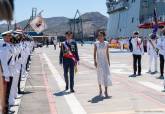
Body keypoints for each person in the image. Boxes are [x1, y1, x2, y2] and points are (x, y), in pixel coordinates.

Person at [94, 31, 112, 97]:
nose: (100, 37)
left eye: (101, 35)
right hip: (99, 62)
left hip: (105, 62)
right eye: (99, 35)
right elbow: (94, 53)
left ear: (104, 36)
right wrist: (95, 61)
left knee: (106, 75)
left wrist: (109, 61)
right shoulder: (96, 43)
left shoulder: (106, 43)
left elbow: (107, 53)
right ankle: (100, 90)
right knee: (99, 75)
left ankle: (106, 91)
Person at [0, 30, 14, 114]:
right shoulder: (4, 48)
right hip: (6, 74)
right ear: (4, 37)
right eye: (8, 36)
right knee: (5, 94)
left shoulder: (8, 46)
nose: (10, 37)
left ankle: (6, 110)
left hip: (9, 72)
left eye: (10, 36)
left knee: (7, 94)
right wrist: (6, 75)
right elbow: (3, 62)